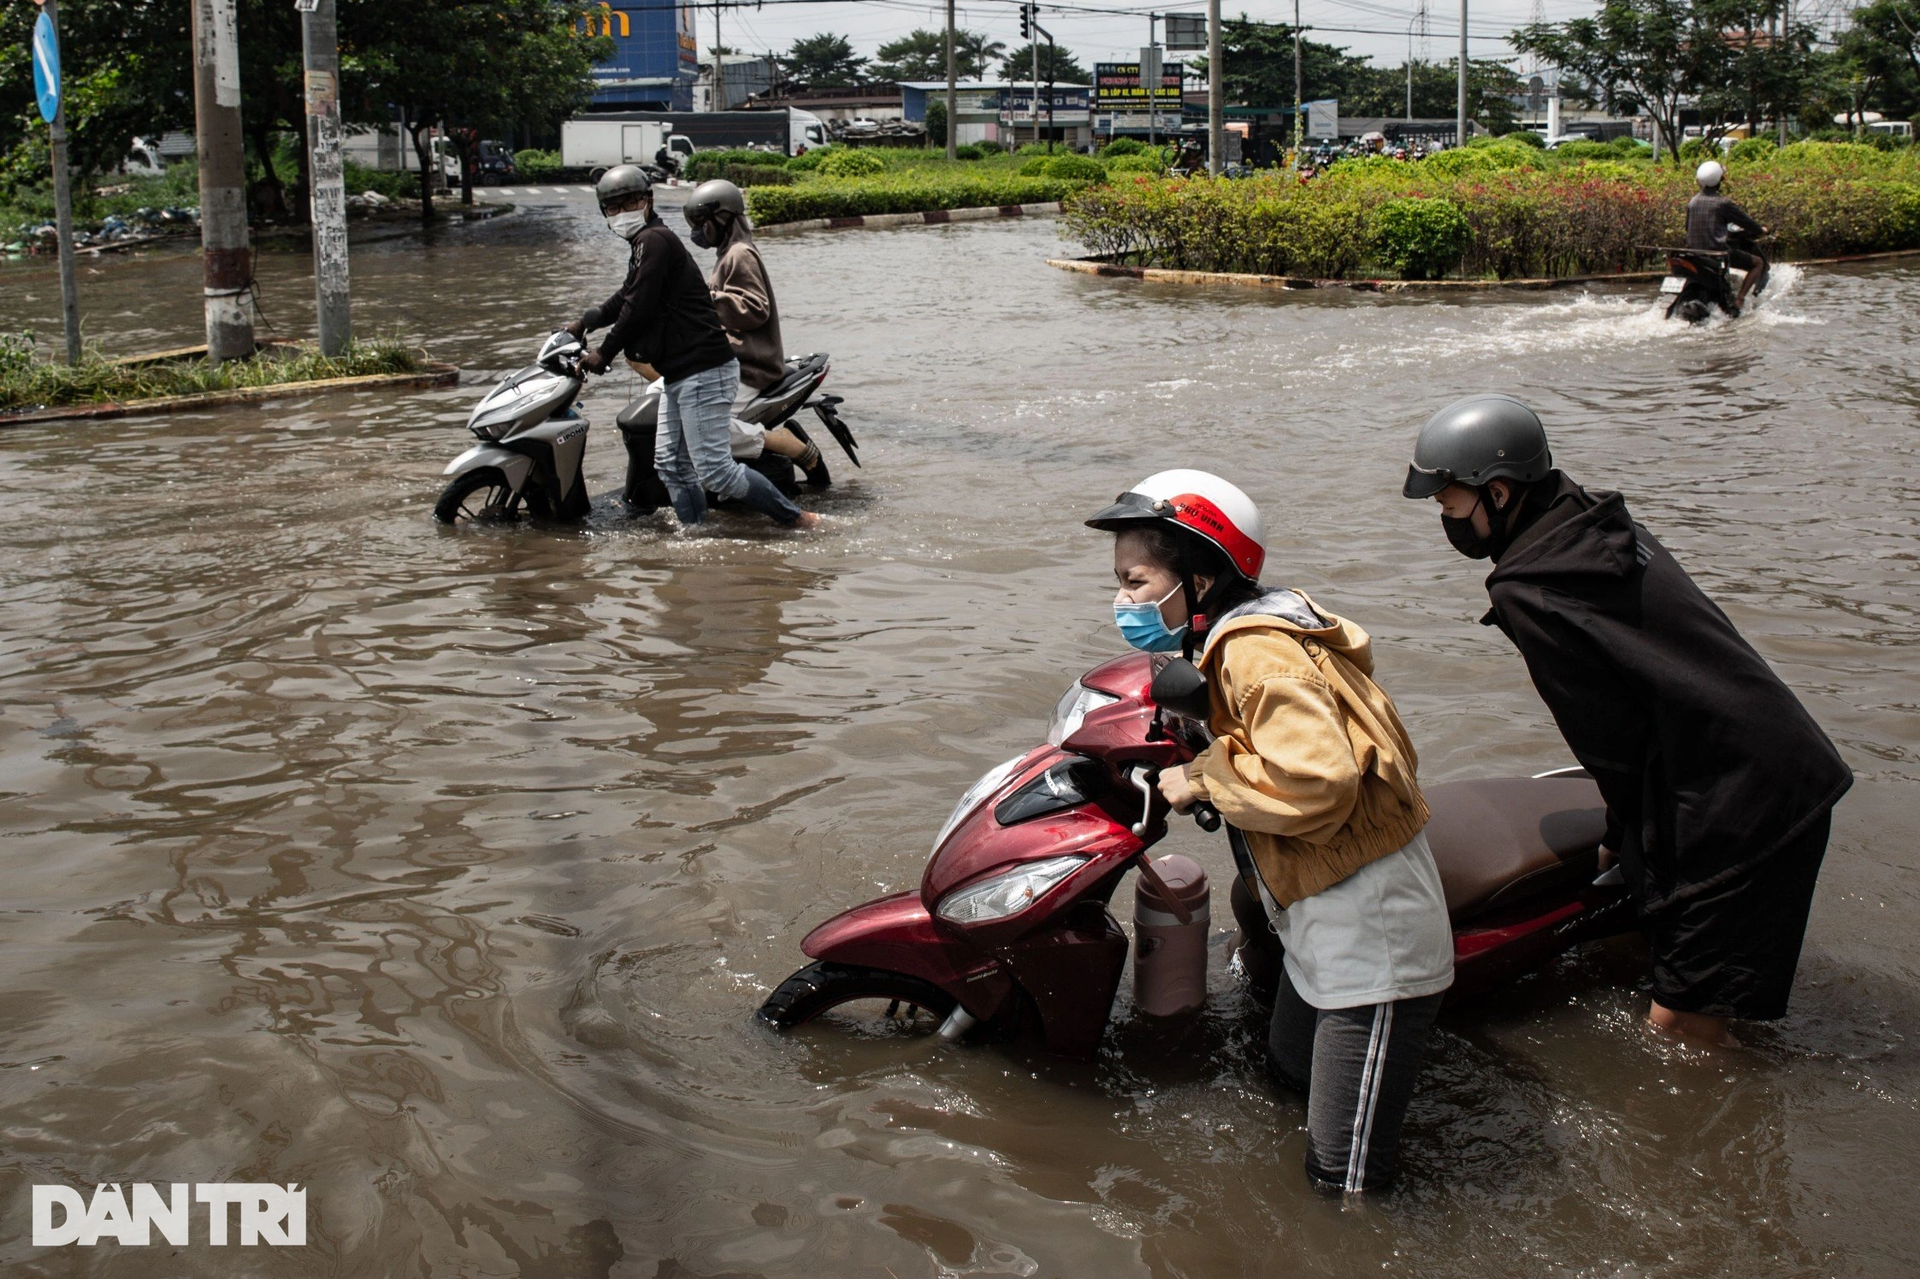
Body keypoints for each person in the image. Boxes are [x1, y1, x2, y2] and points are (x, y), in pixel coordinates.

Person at [1402, 394, 1850, 1047]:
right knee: (1683, 977)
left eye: (1448, 504)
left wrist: (1621, 830)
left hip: (1737, 799)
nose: (1446, 521)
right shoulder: (1587, 518)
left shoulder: (1528, 586)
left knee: (1680, 1032)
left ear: (1497, 493)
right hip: (1782, 755)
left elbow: (1606, 735)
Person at [1086, 470, 1454, 1193]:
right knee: (1283, 1071)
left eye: (1135, 581)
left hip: (1369, 935)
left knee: (1344, 1184)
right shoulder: (1239, 633)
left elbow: (1318, 776)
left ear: (1197, 573)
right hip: (1316, 907)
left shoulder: (1256, 648)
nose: (1123, 601)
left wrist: (1201, 778)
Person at [566, 165, 817, 530]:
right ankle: (696, 533)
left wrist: (603, 353)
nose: (622, 213)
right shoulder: (644, 244)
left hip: (705, 367)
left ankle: (797, 519)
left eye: (629, 202)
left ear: (648, 201)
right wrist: (583, 323)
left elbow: (638, 307)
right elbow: (626, 296)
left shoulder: (656, 241)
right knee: (669, 463)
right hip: (680, 371)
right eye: (613, 208)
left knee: (716, 471)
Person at [682, 178, 830, 487]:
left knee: (703, 425)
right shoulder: (726, 254)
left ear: (722, 219)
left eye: (702, 222)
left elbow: (754, 307)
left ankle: (786, 444)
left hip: (750, 367)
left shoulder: (739, 254)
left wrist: (704, 298)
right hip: (731, 361)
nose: (698, 230)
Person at [1687, 160, 1769, 311]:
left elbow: (1688, 227)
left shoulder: (1693, 202)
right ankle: (1740, 299)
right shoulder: (1723, 203)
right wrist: (1760, 230)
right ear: (1721, 180)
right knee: (1757, 263)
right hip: (1717, 253)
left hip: (1695, 254)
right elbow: (1746, 222)